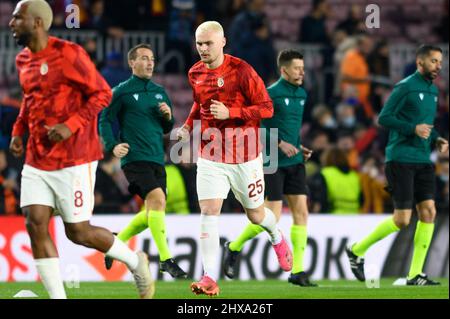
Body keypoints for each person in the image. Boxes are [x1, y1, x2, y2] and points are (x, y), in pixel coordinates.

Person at [8, 0, 153, 299]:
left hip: (74, 158)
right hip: (37, 158)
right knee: (35, 222)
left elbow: (101, 94)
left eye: (17, 18)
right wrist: (18, 130)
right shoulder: (23, 60)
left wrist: (70, 125)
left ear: (36, 23)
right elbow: (29, 99)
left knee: (78, 233)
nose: (11, 23)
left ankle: (135, 261)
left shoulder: (69, 54)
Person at [177, 21, 292, 296]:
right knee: (208, 212)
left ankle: (276, 236)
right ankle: (209, 278)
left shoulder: (242, 70)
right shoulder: (194, 72)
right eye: (199, 44)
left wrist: (232, 113)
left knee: (255, 215)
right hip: (211, 155)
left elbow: (266, 108)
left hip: (245, 156)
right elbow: (200, 103)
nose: (203, 49)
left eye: (208, 44)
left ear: (223, 42)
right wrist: (187, 125)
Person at [346, 44, 449, 286]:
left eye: (440, 61)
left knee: (429, 212)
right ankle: (357, 249)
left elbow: (425, 125)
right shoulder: (405, 87)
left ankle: (415, 274)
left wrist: (437, 139)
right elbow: (384, 118)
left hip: (423, 160)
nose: (439, 66)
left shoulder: (433, 91)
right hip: (400, 158)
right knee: (402, 219)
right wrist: (412, 129)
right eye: (434, 61)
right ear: (420, 62)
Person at [222, 49, 317, 287]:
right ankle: (234, 246)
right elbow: (254, 126)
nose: (301, 72)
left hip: (294, 161)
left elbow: (290, 128)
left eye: (302, 68)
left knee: (301, 213)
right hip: (272, 162)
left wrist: (298, 145)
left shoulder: (302, 94)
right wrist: (279, 143)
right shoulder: (270, 94)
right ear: (284, 70)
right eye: (297, 68)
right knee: (271, 217)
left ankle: (298, 271)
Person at [99, 44, 187, 278]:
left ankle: (117, 243)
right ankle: (167, 259)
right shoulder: (121, 91)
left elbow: (166, 127)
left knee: (152, 210)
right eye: (144, 58)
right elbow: (105, 119)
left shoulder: (159, 91)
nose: (150, 63)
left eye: (152, 59)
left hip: (157, 157)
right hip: (134, 158)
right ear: (132, 63)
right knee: (157, 200)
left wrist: (168, 117)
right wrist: (112, 145)